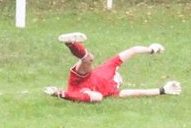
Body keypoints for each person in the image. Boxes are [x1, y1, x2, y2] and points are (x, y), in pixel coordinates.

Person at [43, 32, 181, 102]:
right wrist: (152, 49)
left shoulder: (115, 91)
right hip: (80, 80)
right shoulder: (111, 67)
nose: (121, 80)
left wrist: (163, 90)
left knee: (98, 97)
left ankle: (59, 93)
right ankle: (70, 43)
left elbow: (138, 92)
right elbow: (133, 50)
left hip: (85, 92)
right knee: (89, 59)